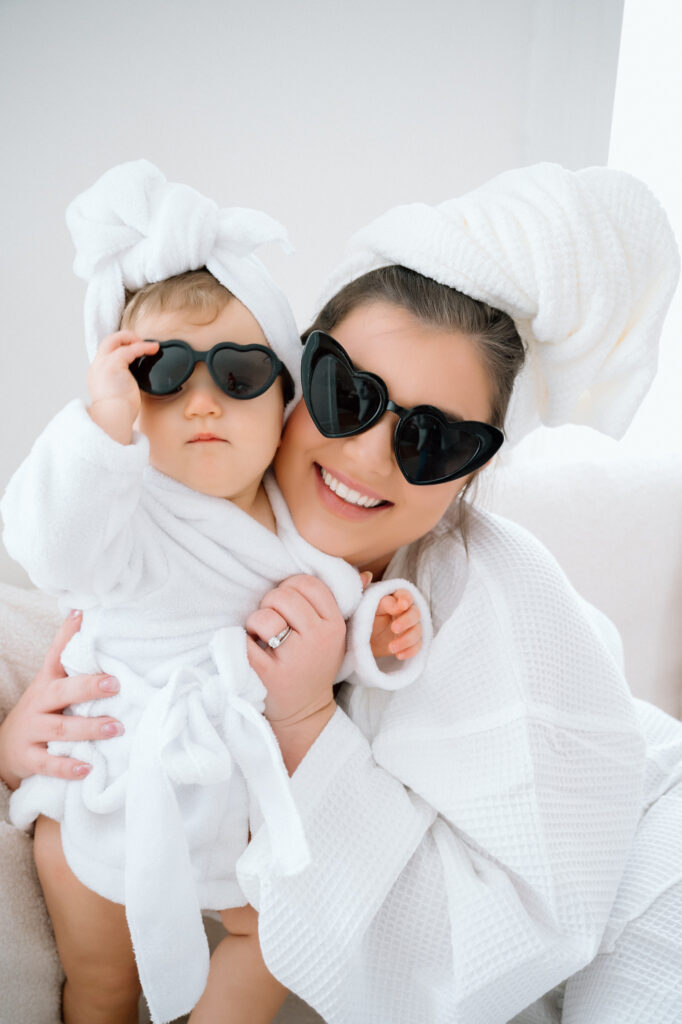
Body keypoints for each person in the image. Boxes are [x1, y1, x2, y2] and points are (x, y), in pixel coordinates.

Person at [1, 162, 681, 1024]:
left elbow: (502, 944)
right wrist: (31, 739)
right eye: (346, 394)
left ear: (474, 473)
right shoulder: (205, 518)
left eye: (434, 441)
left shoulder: (490, 600)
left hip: (649, 858)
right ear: (295, 371)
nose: (368, 456)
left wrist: (304, 722)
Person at [0, 160, 430, 1024]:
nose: (201, 402)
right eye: (163, 375)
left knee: (279, 936)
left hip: (236, 811)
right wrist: (95, 428)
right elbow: (46, 546)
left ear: (283, 398)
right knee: (101, 985)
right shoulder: (117, 510)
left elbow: (326, 621)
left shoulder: (298, 527)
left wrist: (382, 639)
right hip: (108, 785)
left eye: (236, 375)